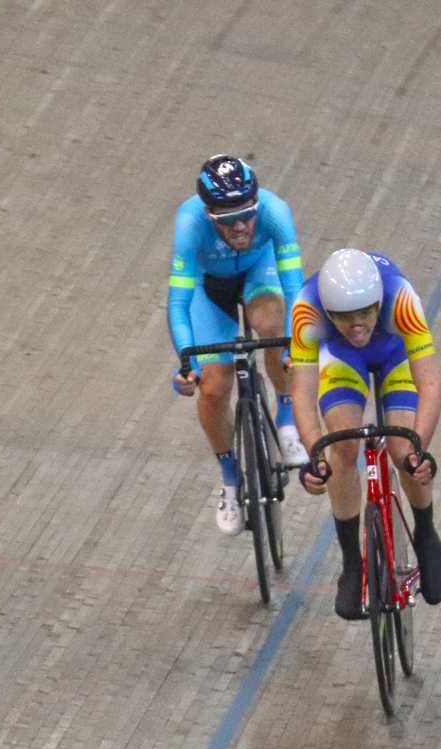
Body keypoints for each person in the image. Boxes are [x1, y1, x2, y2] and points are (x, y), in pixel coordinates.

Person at [290, 248, 441, 617]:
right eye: (346, 318)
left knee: (401, 452)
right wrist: (316, 455)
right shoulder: (305, 310)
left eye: (366, 312)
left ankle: (425, 533)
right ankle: (352, 563)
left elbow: (430, 385)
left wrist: (418, 452)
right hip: (342, 357)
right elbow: (301, 393)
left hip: (394, 352)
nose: (359, 325)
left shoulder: (403, 300)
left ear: (379, 302)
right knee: (342, 450)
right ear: (328, 312)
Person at [167, 154, 309, 535]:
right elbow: (179, 304)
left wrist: (298, 345)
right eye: (228, 220)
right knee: (213, 387)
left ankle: (286, 420)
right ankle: (231, 479)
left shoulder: (276, 214)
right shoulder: (189, 224)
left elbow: (295, 285)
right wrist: (187, 363)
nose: (241, 226)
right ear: (209, 214)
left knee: (272, 324)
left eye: (247, 214)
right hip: (207, 289)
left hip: (257, 273)